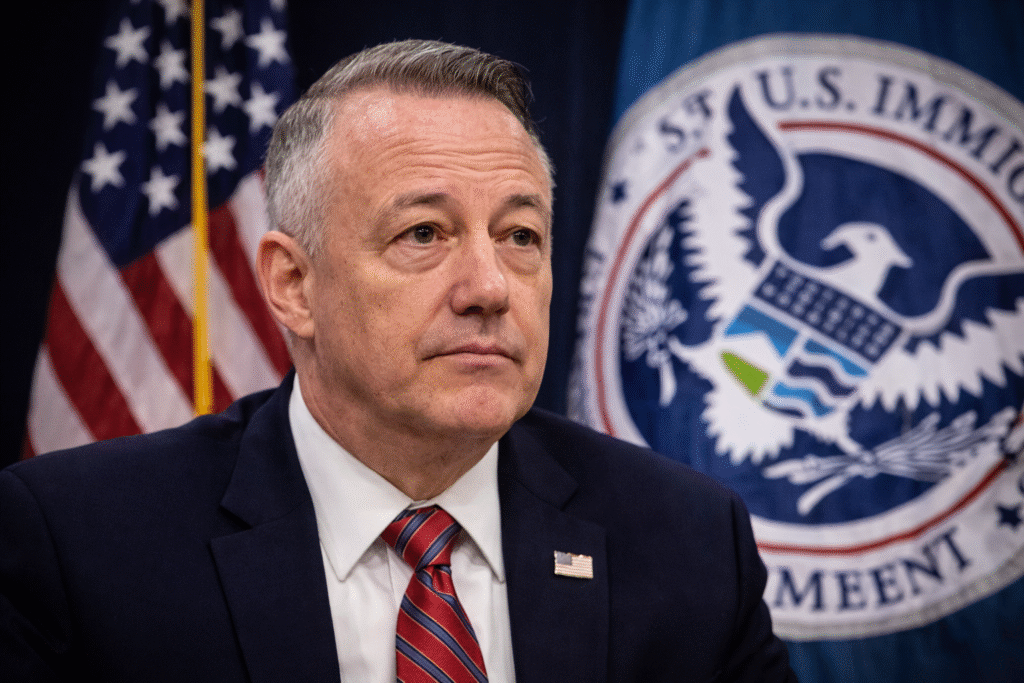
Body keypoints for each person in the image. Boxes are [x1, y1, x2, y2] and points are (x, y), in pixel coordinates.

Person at [1, 40, 796, 682]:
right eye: (424, 233)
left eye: (520, 237)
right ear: (293, 283)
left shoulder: (687, 540)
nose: (489, 287)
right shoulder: (80, 545)